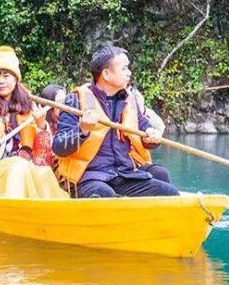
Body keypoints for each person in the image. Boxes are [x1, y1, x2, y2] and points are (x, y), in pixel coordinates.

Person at [53, 45, 179, 198]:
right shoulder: (75, 100)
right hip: (89, 177)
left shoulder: (128, 100)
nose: (129, 73)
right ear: (106, 74)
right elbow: (59, 147)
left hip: (124, 174)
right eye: (124, 69)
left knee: (168, 192)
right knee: (103, 194)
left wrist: (152, 136)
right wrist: (82, 129)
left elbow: (144, 128)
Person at [0, 47, 67, 199]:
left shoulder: (28, 105)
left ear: (16, 79)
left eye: (6, 76)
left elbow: (45, 148)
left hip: (24, 170)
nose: (1, 81)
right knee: (18, 166)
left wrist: (42, 125)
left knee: (44, 173)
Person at [31, 83, 65, 168]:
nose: (65, 106)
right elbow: (43, 156)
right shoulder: (37, 123)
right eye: (60, 102)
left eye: (66, 101)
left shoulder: (68, 122)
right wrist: (41, 126)